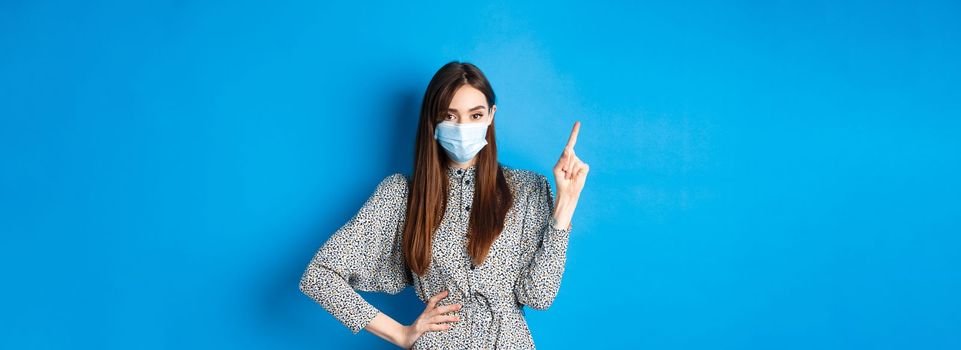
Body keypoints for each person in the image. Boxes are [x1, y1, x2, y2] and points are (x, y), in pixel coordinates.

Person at [299, 61, 589, 349]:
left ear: (491, 116)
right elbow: (318, 276)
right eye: (449, 116)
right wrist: (399, 333)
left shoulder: (528, 189)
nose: (463, 127)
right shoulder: (403, 195)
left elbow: (538, 296)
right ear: (433, 121)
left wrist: (565, 206)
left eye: (475, 115)